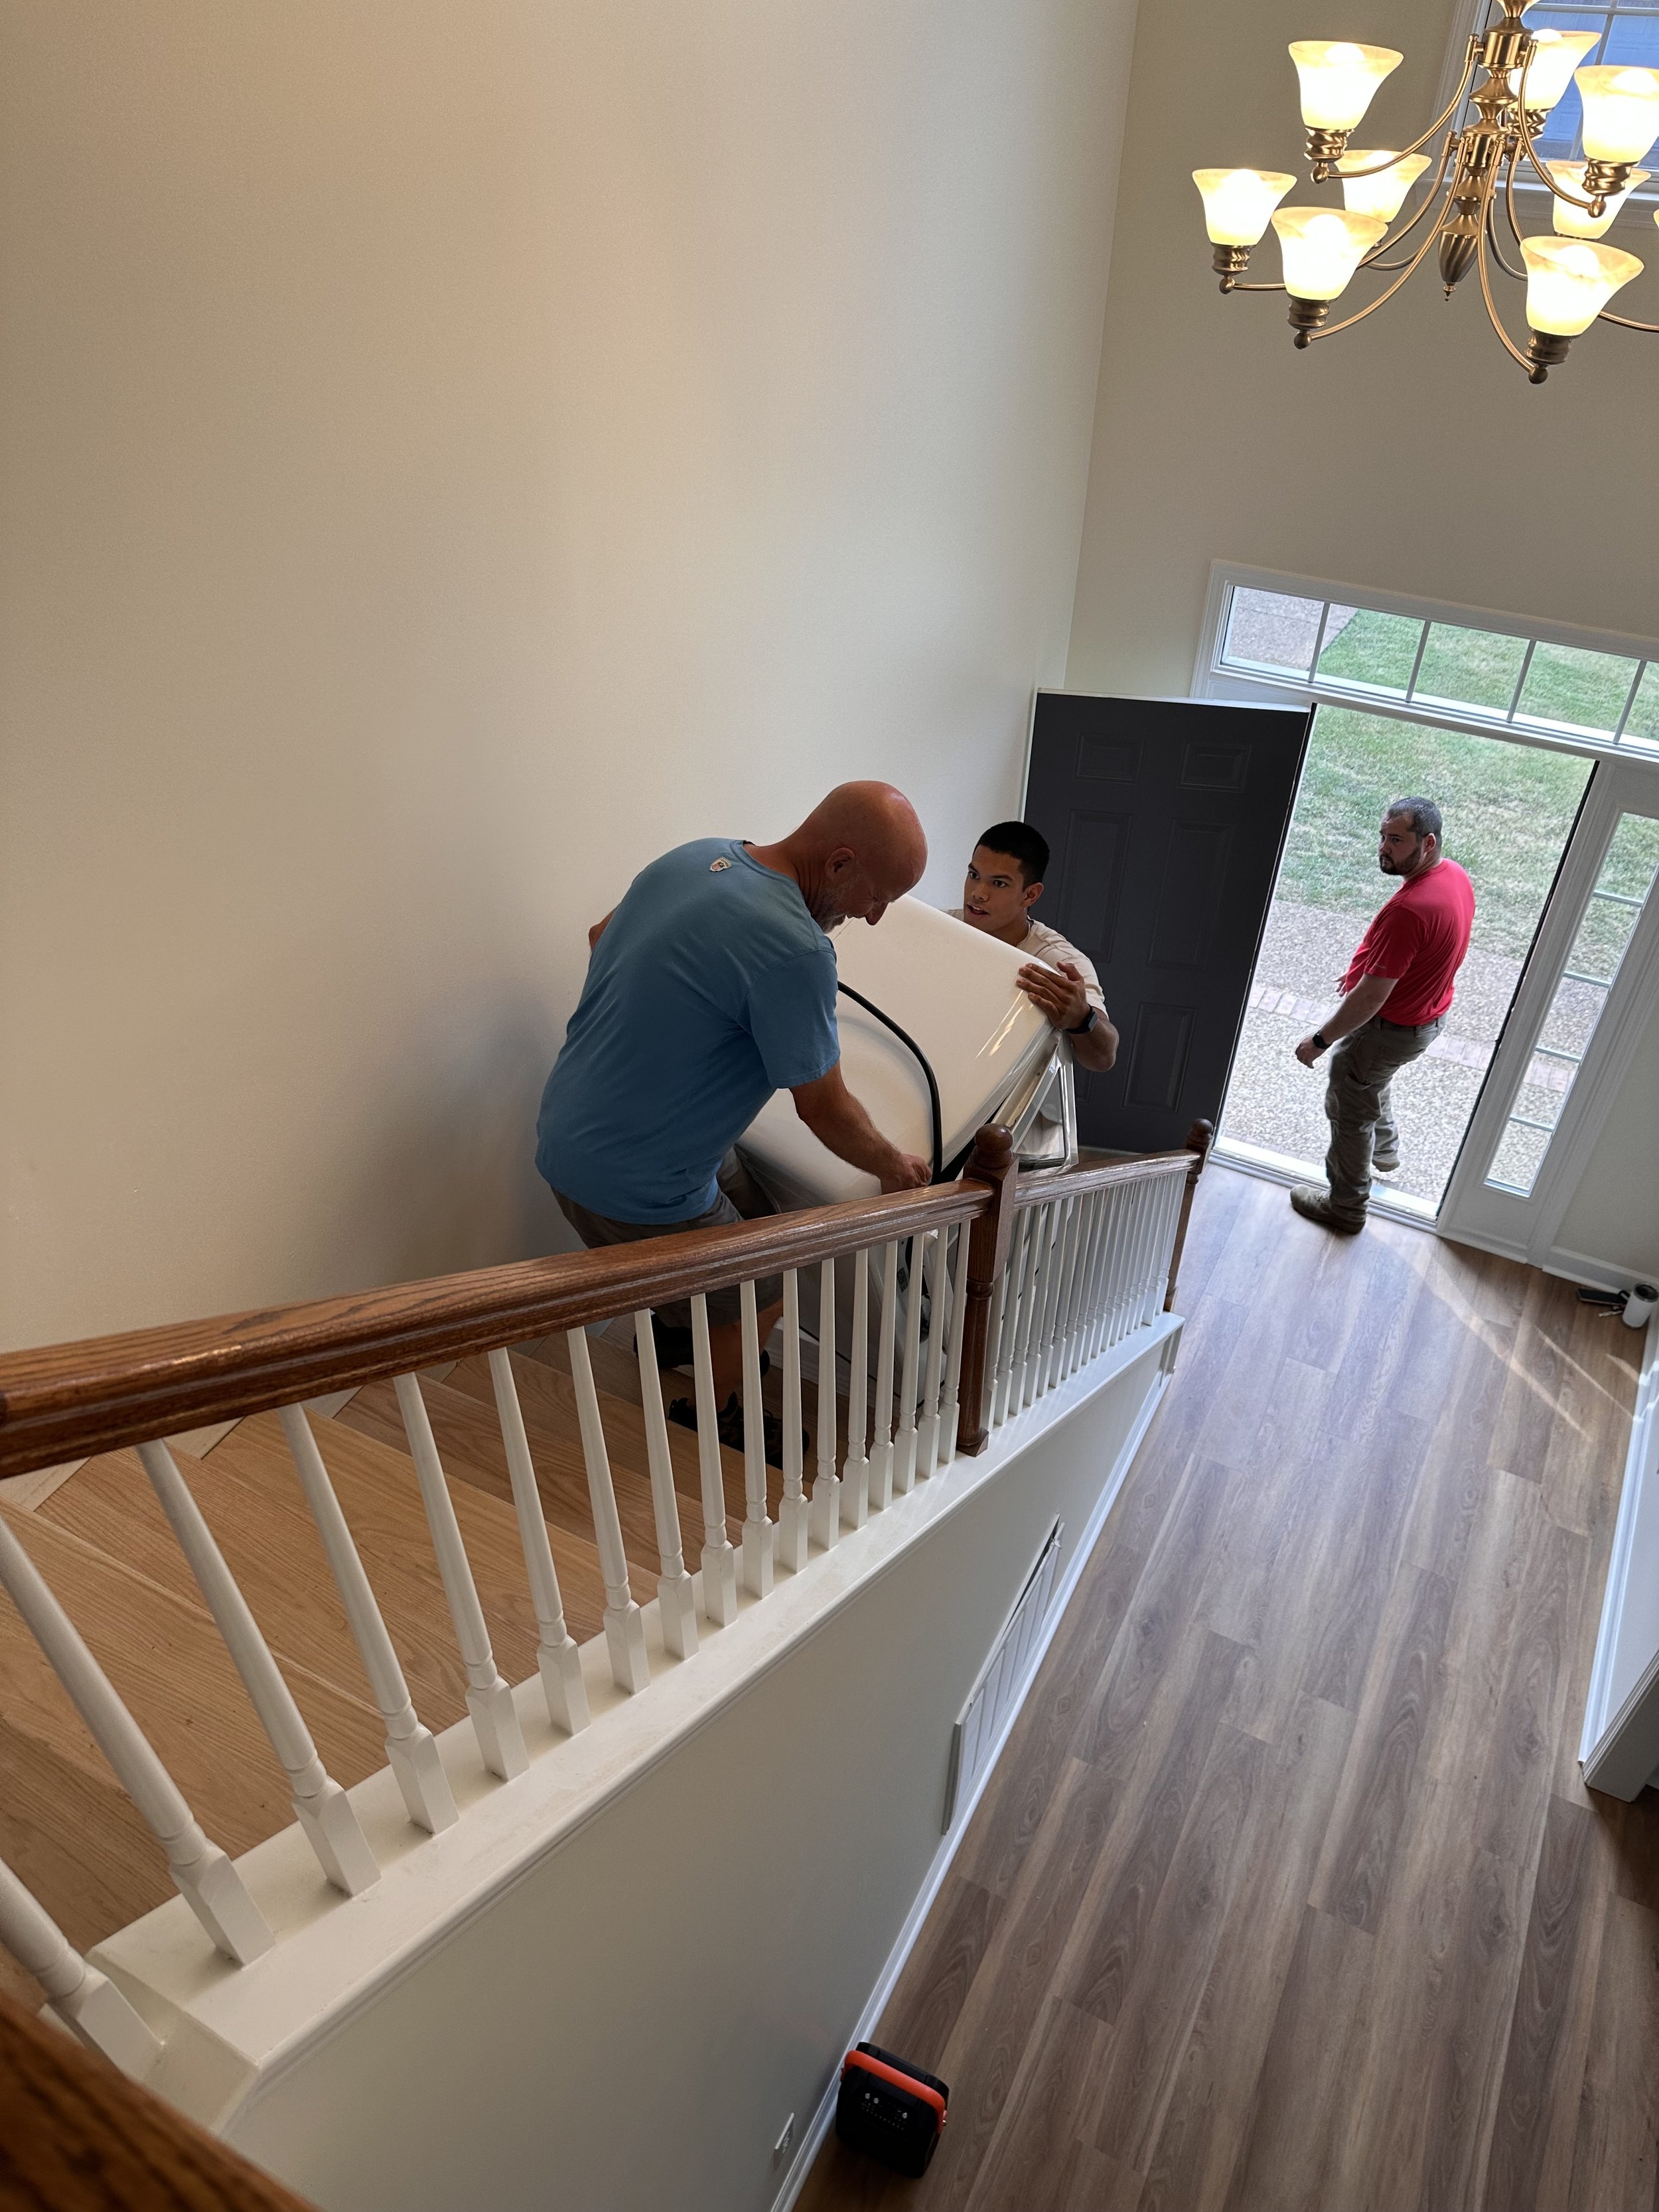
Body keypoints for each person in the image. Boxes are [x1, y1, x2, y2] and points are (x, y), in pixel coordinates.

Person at [536, 782, 931, 1462]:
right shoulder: (799, 950)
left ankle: (676, 1329)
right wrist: (897, 1169)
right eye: (879, 897)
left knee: (761, 1214)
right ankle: (709, 1415)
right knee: (762, 1291)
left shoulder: (698, 857)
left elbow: (602, 937)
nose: (873, 918)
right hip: (631, 1181)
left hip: (567, 1134)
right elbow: (823, 1107)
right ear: (837, 865)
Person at [1290, 796, 1475, 1236]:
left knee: (1350, 1105)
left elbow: (1370, 997)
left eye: (1395, 840)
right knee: (1370, 1080)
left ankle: (1346, 1207)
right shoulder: (1454, 877)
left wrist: (1319, 1040)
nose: (1383, 848)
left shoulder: (1410, 910)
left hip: (1392, 1027)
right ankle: (1386, 1151)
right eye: (1382, 836)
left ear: (1427, 843)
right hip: (1426, 1017)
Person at [950, 821, 1119, 1072]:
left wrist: (1081, 1019)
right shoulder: (940, 929)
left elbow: (1103, 1059)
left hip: (1018, 1105)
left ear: (1030, 895)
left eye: (998, 883)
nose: (978, 893)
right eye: (974, 875)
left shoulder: (1059, 961)